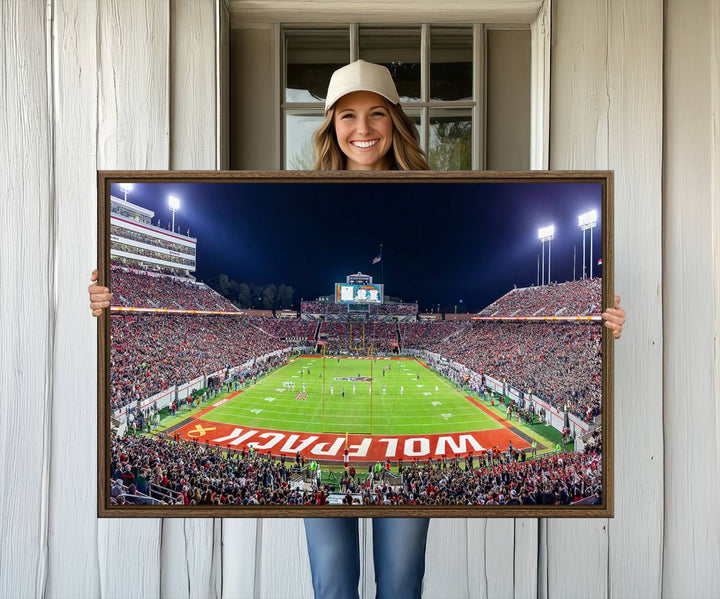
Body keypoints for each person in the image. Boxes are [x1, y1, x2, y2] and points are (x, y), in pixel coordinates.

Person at [87, 59, 627, 599]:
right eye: (347, 116)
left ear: (395, 120)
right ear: (330, 126)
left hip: (399, 472)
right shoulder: (300, 188)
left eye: (375, 114)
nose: (362, 129)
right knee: (333, 584)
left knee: (400, 584)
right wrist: (111, 298)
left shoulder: (432, 189)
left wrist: (599, 324)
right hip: (326, 456)